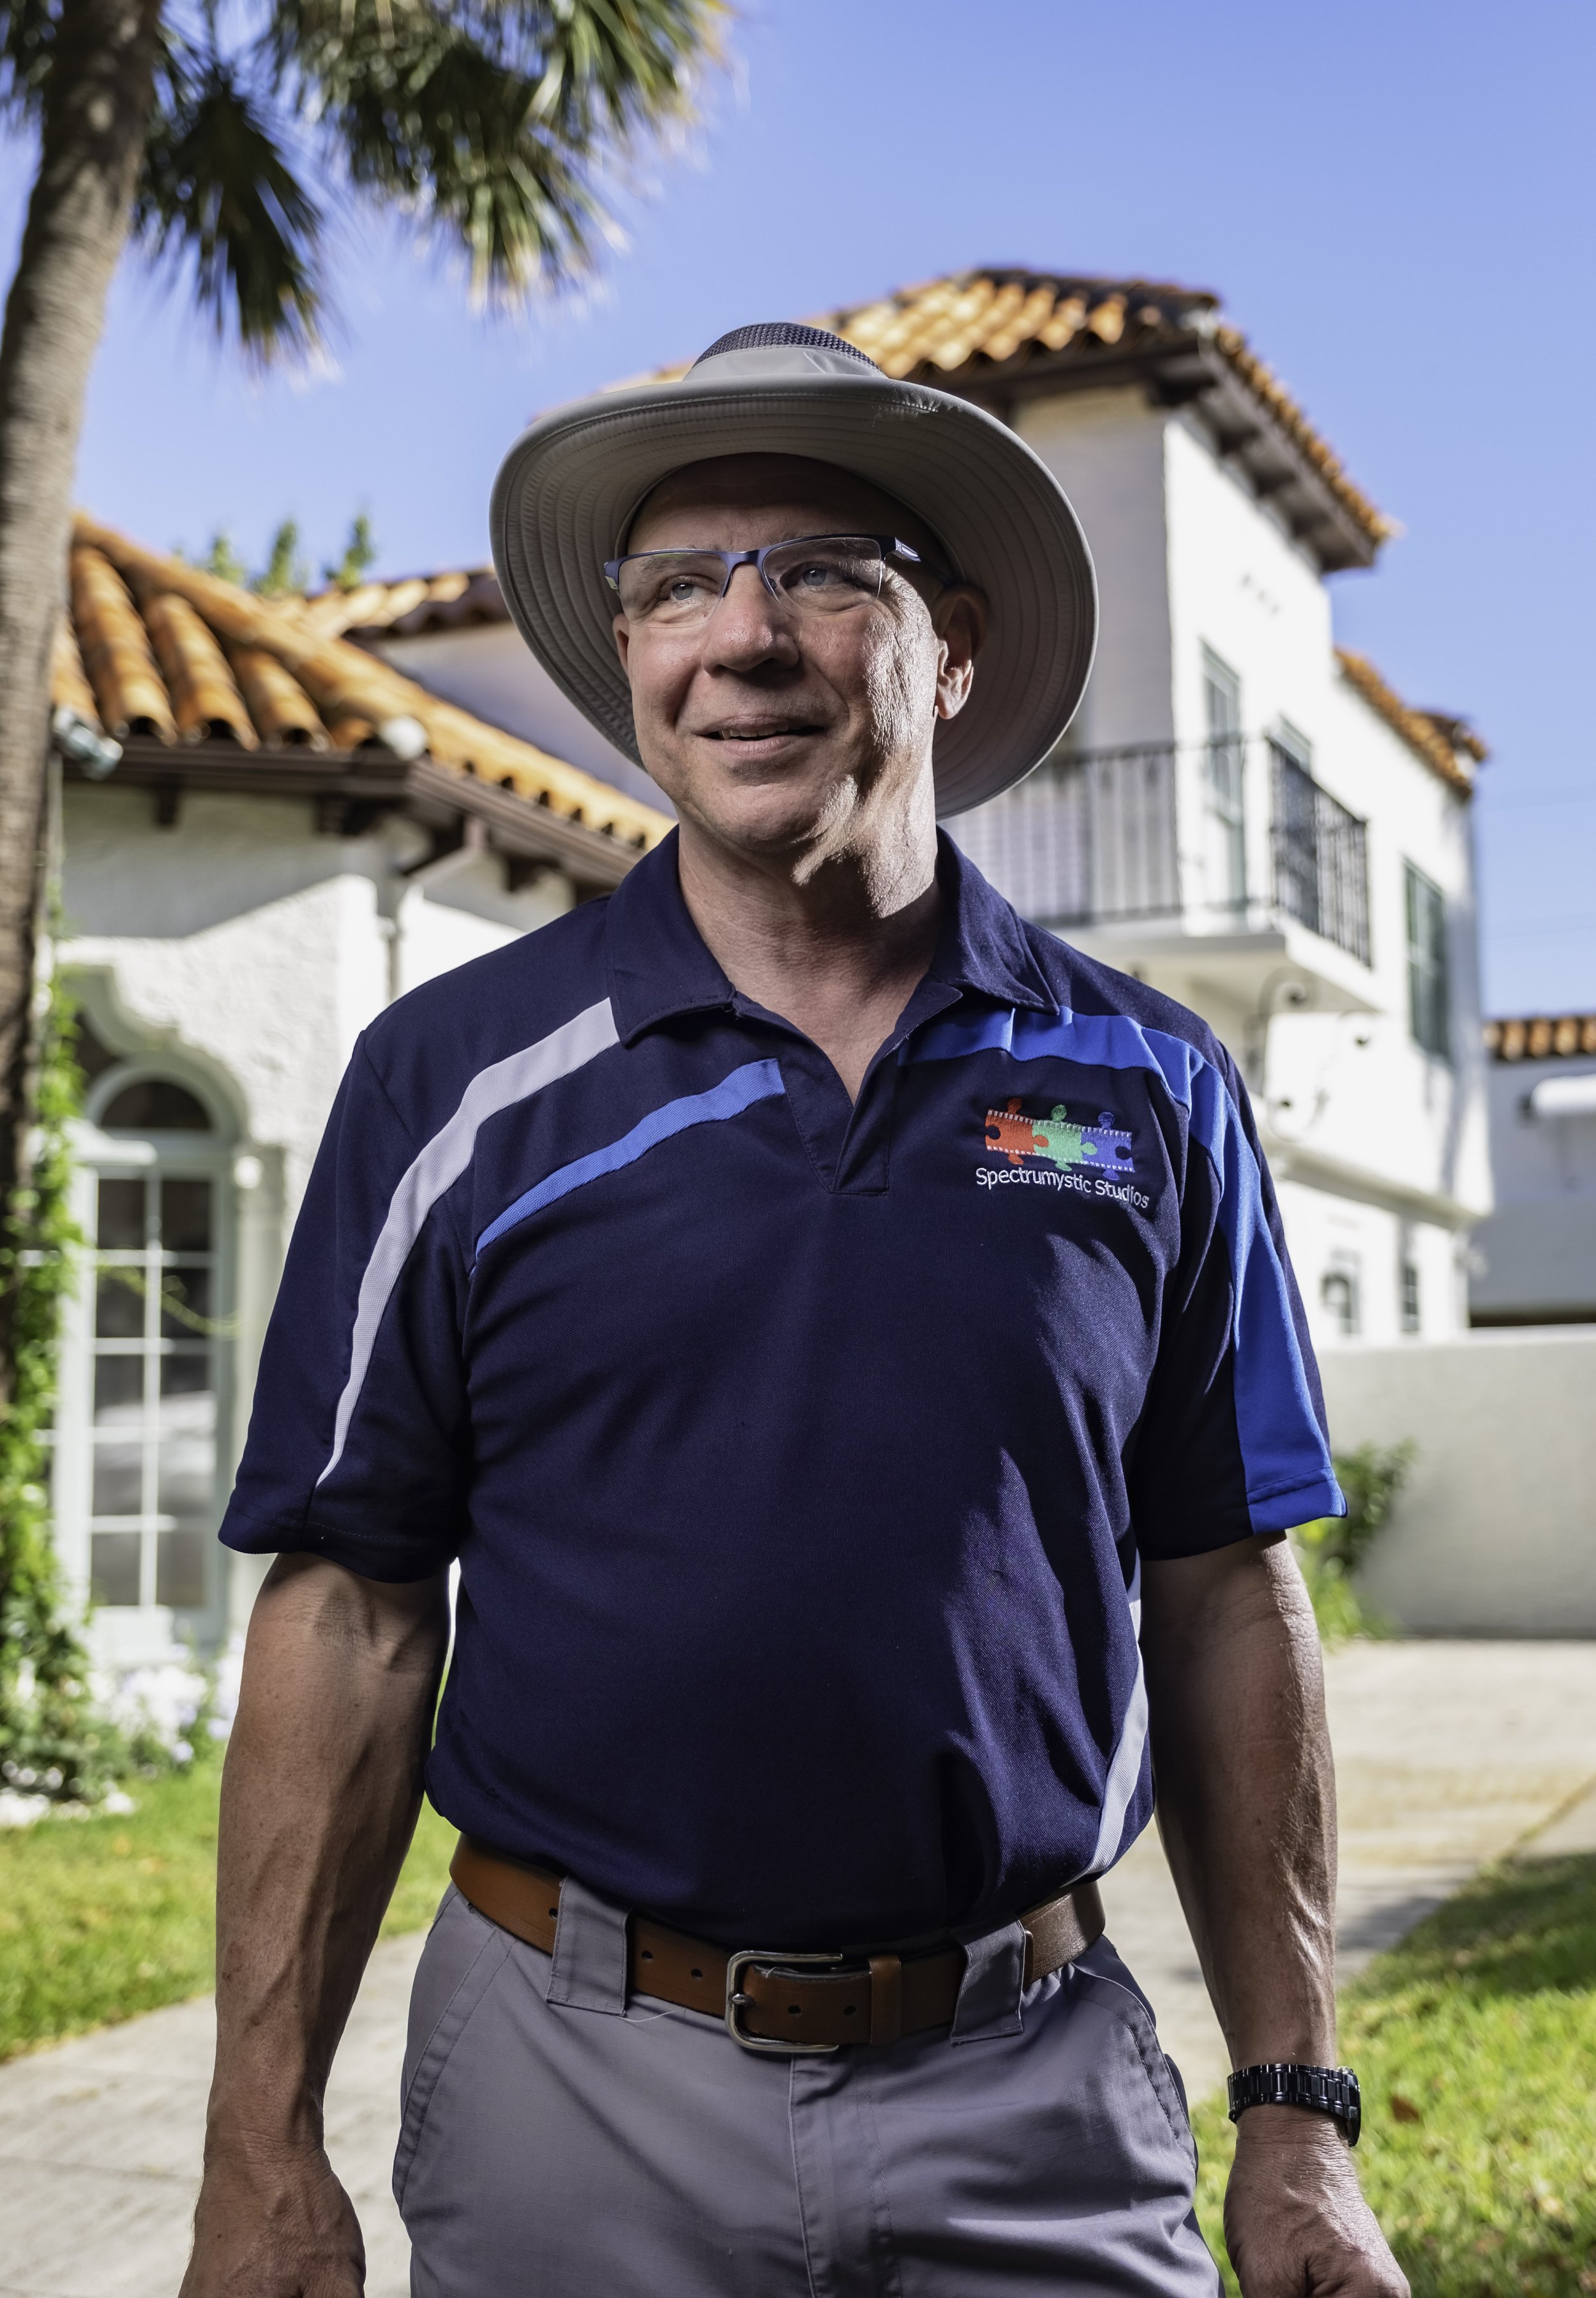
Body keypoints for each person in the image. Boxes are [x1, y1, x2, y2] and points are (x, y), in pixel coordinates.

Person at [181, 322, 1408, 2298]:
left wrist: (1292, 2118)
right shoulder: (455, 1081)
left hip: (1030, 2089)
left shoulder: (1150, 1087)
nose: (741, 637)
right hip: (568, 2088)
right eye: (677, 585)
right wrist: (258, 2155)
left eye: (825, 572)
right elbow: (350, 1610)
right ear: (636, 665)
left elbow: (1219, 1594)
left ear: (953, 648)